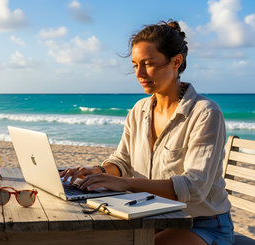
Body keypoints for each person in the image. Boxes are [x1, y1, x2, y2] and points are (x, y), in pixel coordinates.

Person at [60, 20, 234, 245]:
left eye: (148, 64)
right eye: (135, 65)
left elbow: (194, 188)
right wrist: (97, 172)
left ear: (176, 62)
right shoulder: (139, 110)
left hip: (202, 223)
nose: (139, 73)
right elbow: (122, 162)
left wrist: (125, 183)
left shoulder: (205, 113)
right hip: (150, 218)